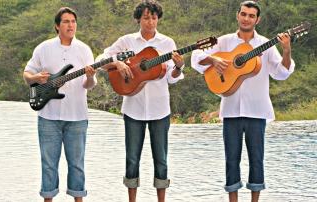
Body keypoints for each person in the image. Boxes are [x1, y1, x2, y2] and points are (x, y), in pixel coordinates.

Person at [191, 1, 295, 202]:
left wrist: (287, 50)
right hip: (231, 109)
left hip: (257, 110)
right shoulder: (224, 41)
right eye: (244, 14)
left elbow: (281, 73)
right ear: (237, 15)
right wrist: (213, 60)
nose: (247, 18)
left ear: (258, 19)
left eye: (252, 15)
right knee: (231, 160)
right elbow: (196, 56)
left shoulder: (265, 43)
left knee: (257, 159)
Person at [95, 1, 184, 201]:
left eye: (154, 17)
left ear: (158, 18)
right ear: (138, 18)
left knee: (161, 159)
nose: (150, 22)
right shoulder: (127, 41)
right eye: (146, 17)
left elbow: (171, 77)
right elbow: (101, 60)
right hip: (133, 108)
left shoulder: (167, 44)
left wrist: (179, 67)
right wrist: (117, 63)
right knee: (132, 158)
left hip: (160, 108)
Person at [23, 7, 97, 202]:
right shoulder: (43, 48)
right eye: (66, 21)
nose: (70, 25)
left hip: (77, 117)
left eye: (73, 21)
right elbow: (27, 74)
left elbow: (88, 85)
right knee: (48, 165)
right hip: (48, 115)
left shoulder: (84, 50)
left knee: (77, 165)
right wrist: (36, 78)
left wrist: (90, 77)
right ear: (57, 25)